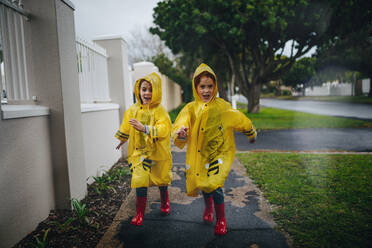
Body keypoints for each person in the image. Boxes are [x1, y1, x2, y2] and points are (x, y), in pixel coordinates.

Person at [172, 63, 257, 235]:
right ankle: (208, 208)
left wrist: (251, 132)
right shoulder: (191, 108)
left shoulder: (222, 107)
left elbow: (239, 119)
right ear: (196, 87)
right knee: (204, 184)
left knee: (214, 184)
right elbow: (181, 123)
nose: (206, 91)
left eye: (210, 86)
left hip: (218, 154)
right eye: (202, 86)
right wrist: (181, 132)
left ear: (215, 86)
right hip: (200, 154)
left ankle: (221, 220)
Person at [115, 72, 172, 226]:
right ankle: (139, 213)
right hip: (139, 153)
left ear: (157, 92)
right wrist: (123, 138)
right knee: (139, 181)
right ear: (138, 91)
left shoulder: (160, 110)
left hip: (157, 153)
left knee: (161, 179)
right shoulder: (133, 110)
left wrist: (145, 128)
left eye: (151, 90)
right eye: (144, 89)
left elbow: (164, 129)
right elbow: (127, 124)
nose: (147, 93)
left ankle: (165, 201)